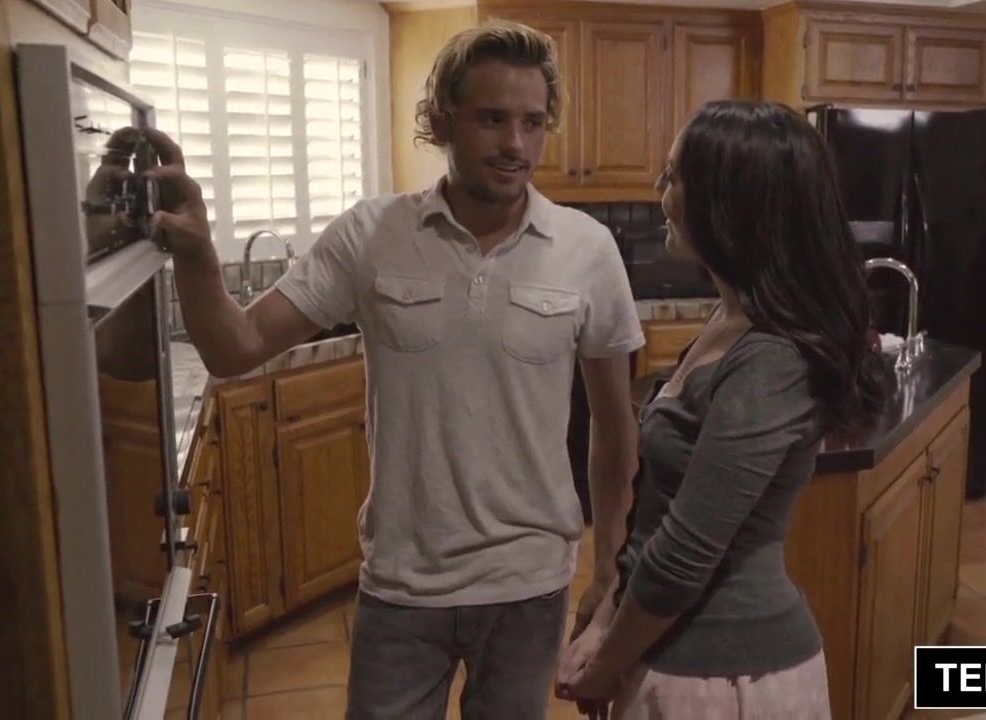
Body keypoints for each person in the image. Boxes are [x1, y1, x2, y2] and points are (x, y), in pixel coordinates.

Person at [143, 19, 645, 719]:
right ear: (441, 121)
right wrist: (197, 253)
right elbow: (235, 347)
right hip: (403, 584)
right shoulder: (370, 235)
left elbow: (615, 434)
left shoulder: (587, 249)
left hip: (529, 584)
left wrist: (611, 568)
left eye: (533, 123)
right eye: (492, 119)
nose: (515, 144)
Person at [555, 99, 890, 719]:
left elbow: (683, 555)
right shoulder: (729, 319)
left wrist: (604, 664)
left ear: (729, 204)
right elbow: (657, 517)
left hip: (730, 681)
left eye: (674, 176)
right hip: (678, 659)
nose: (660, 191)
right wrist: (605, 620)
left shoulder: (771, 360)